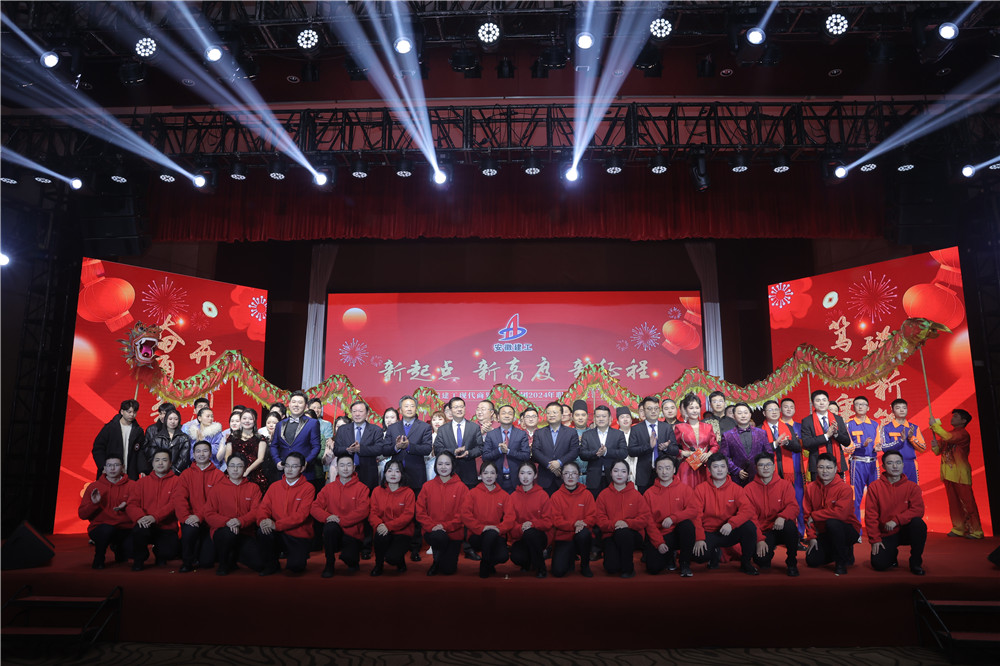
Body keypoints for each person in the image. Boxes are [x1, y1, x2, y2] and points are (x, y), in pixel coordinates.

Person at [691, 452, 759, 575]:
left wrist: (731, 524)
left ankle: (746, 563)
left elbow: (748, 510)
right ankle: (714, 553)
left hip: (729, 530)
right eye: (715, 467)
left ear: (727, 469)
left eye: (723, 466)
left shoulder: (736, 489)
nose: (719, 470)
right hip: (709, 532)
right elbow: (696, 516)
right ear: (709, 470)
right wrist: (699, 538)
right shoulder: (700, 489)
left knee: (749, 527)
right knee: (699, 557)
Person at [385, 395, 434, 562]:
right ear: (400, 409)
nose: (409, 409)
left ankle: (415, 548)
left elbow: (427, 449)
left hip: (416, 475)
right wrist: (395, 447)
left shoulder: (424, 427)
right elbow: (385, 449)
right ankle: (396, 544)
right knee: (395, 511)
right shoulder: (393, 427)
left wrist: (409, 447)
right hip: (395, 477)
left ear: (416, 408)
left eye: (412, 406)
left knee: (416, 513)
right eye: (406, 406)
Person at [865, 451, 927, 575]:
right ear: (883, 466)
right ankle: (892, 555)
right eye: (890, 463)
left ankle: (915, 562)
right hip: (886, 532)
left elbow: (918, 510)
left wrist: (896, 520)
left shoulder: (912, 487)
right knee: (879, 564)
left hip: (906, 530)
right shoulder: (875, 487)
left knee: (919, 524)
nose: (895, 466)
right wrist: (875, 539)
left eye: (898, 463)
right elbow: (871, 515)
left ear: (903, 465)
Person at [256, 452, 316, 576]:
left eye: (294, 466)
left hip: (297, 534)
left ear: (302, 468)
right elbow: (263, 508)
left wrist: (277, 525)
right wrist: (262, 520)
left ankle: (298, 555)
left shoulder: (308, 488)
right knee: (263, 531)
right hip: (277, 532)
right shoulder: (274, 486)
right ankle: (271, 564)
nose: (289, 469)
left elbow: (302, 515)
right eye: (287, 465)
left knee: (296, 567)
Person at [312, 455, 370, 578]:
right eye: (342, 465)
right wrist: (327, 517)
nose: (345, 468)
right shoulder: (328, 488)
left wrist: (340, 520)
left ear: (354, 468)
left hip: (353, 533)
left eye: (349, 465)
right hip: (334, 531)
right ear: (337, 468)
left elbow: (363, 511)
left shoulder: (362, 488)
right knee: (330, 527)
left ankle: (351, 558)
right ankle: (329, 563)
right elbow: (314, 507)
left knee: (351, 562)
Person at [930, 408, 984, 539]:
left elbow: (948, 437)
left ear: (963, 420)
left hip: (960, 474)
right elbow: (938, 452)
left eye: (956, 416)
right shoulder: (950, 434)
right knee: (954, 503)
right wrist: (935, 445)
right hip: (948, 474)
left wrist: (935, 425)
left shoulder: (963, 434)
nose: (952, 418)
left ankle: (976, 531)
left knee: (967, 502)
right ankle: (959, 528)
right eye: (953, 416)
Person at [205, 454, 262, 575]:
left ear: (245, 468)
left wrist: (240, 521)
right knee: (228, 533)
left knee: (259, 564)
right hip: (222, 531)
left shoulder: (253, 488)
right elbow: (209, 514)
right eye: (232, 466)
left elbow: (256, 511)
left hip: (244, 532)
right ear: (227, 468)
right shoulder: (217, 488)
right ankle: (223, 563)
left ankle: (235, 555)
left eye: (239, 466)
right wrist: (227, 522)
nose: (235, 469)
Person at [804, 452, 860, 575]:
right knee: (812, 560)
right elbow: (807, 515)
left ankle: (841, 563)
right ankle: (844, 551)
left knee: (832, 523)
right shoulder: (810, 488)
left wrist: (815, 515)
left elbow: (841, 514)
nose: (825, 471)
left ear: (835, 469)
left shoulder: (844, 488)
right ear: (816, 468)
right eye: (821, 467)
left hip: (847, 530)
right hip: (824, 532)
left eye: (829, 467)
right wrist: (812, 537)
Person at [745, 453, 800, 577]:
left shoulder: (785, 485)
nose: (765, 468)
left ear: (774, 467)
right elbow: (750, 517)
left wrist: (782, 516)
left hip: (781, 527)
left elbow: (793, 507)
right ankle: (768, 553)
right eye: (761, 465)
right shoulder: (748, 489)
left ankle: (792, 562)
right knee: (761, 561)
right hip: (763, 531)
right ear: (756, 467)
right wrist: (759, 539)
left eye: (768, 465)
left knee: (790, 526)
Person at [416, 451, 470, 576]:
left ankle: (442, 558)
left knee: (448, 570)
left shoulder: (462, 488)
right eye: (440, 464)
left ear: (453, 465)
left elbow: (463, 514)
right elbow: (420, 511)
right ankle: (436, 561)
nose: (443, 467)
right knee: (439, 537)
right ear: (435, 466)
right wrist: (433, 526)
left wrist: (445, 526)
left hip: (454, 533)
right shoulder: (427, 486)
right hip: (433, 532)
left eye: (447, 464)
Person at [174, 441, 225, 572]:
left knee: (206, 562)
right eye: (198, 451)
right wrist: (186, 518)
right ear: (193, 454)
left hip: (210, 522)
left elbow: (215, 502)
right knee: (189, 531)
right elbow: (179, 499)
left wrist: (199, 516)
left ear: (210, 454)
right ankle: (187, 562)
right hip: (190, 520)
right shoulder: (186, 474)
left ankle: (202, 553)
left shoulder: (219, 475)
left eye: (205, 451)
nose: (201, 454)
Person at [126, 449, 180, 571]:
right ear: (152, 463)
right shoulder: (141, 482)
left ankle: (159, 553)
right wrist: (140, 517)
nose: (160, 463)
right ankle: (139, 559)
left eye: (164, 460)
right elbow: (131, 504)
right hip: (144, 524)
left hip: (166, 527)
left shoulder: (177, 482)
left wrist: (155, 517)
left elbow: (174, 504)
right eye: (157, 460)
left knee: (170, 552)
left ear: (170, 463)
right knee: (132, 543)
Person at [643, 456, 697, 577]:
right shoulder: (649, 494)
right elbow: (649, 523)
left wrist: (673, 518)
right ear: (656, 470)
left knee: (687, 525)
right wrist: (659, 543)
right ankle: (669, 556)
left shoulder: (685, 489)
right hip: (662, 535)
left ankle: (684, 563)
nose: (664, 472)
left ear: (674, 470)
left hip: (680, 533)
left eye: (668, 468)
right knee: (653, 568)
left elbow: (693, 510)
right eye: (660, 468)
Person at [79, 456, 132, 569]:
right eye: (109, 465)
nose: (112, 468)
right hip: (101, 528)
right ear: (104, 469)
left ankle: (119, 548)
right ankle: (99, 557)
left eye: (116, 465)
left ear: (123, 468)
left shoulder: (132, 485)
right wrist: (94, 504)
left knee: (134, 550)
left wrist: (128, 505)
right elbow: (82, 514)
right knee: (107, 529)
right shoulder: (94, 486)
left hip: (125, 528)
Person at [595, 460, 647, 578]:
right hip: (610, 533)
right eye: (616, 471)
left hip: (632, 534)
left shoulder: (636, 495)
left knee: (623, 533)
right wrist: (615, 524)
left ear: (628, 474)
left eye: (623, 471)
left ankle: (628, 569)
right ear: (610, 473)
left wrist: (627, 523)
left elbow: (644, 518)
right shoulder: (603, 495)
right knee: (611, 568)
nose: (619, 474)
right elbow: (600, 519)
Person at [546, 462, 596, 578]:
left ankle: (585, 565)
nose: (570, 476)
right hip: (563, 537)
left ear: (579, 475)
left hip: (582, 535)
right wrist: (574, 524)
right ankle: (570, 556)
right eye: (566, 473)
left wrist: (582, 524)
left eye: (574, 473)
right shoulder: (556, 496)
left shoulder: (587, 494)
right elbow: (556, 520)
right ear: (562, 476)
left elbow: (593, 517)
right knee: (558, 572)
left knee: (584, 534)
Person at [502, 461, 551, 578]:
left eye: (529, 473)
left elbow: (548, 522)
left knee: (531, 534)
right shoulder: (512, 497)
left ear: (535, 475)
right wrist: (521, 528)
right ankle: (529, 561)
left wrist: (532, 524)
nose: (525, 477)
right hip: (520, 536)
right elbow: (510, 522)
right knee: (517, 557)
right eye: (522, 473)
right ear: (518, 475)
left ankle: (541, 568)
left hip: (539, 536)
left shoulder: (543, 495)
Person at [462, 461, 511, 578]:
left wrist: (499, 529)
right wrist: (482, 528)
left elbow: (510, 517)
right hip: (477, 534)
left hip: (497, 533)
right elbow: (465, 515)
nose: (489, 476)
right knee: (489, 534)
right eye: (485, 473)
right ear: (480, 475)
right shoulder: (472, 493)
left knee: (503, 556)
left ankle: (487, 562)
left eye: (492, 473)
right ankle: (485, 564)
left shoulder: (504, 495)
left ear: (497, 475)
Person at [369, 460, 416, 576]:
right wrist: (379, 525)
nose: (393, 474)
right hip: (383, 529)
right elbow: (372, 513)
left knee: (392, 558)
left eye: (397, 471)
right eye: (390, 471)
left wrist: (388, 526)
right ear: (385, 473)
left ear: (402, 474)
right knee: (380, 535)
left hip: (402, 532)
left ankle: (399, 561)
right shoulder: (377, 491)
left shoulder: (408, 492)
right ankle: (378, 565)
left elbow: (408, 515)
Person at [630, 397, 680, 493]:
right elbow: (631, 451)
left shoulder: (666, 428)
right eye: (649, 408)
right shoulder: (636, 429)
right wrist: (648, 447)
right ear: (643, 411)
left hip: (664, 474)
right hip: (644, 475)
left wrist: (666, 448)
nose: (653, 411)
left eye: (656, 408)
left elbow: (675, 450)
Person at [844, 396, 882, 524]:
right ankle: (856, 528)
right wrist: (861, 445)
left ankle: (874, 526)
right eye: (857, 404)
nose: (860, 406)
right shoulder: (848, 424)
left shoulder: (875, 424)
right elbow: (846, 447)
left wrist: (877, 447)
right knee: (856, 496)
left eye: (863, 404)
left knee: (875, 496)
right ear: (853, 407)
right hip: (857, 463)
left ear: (868, 408)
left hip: (873, 463)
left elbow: (877, 443)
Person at [433, 397, 485, 489]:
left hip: (469, 475)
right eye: (456, 407)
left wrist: (469, 453)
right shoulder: (443, 429)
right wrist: (453, 451)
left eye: (461, 407)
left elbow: (480, 447)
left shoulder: (474, 427)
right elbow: (437, 449)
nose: (459, 409)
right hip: (449, 475)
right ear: (450, 410)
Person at [270, 391, 321, 481]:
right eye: (293, 402)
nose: (296, 405)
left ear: (306, 406)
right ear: (289, 405)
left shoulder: (313, 423)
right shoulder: (280, 424)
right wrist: (277, 461)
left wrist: (306, 462)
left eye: (300, 402)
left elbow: (316, 446)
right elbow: (274, 445)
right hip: (283, 470)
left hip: (304, 472)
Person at [531, 401, 581, 495]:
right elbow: (535, 451)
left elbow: (574, 451)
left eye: (554, 412)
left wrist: (559, 462)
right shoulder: (539, 433)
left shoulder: (571, 432)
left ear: (561, 415)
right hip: (545, 478)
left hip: (564, 476)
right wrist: (549, 465)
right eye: (548, 413)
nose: (551, 415)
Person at [92, 399, 148, 481]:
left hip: (130, 473)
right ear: (122, 412)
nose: (132, 415)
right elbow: (98, 448)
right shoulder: (109, 428)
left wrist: (142, 469)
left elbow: (140, 452)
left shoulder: (138, 431)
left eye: (134, 412)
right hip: (110, 472)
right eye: (129, 412)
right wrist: (103, 467)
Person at [334, 400, 384, 490]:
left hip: (368, 472)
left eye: (360, 411)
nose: (357, 414)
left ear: (367, 413)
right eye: (354, 411)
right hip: (347, 472)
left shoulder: (376, 430)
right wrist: (347, 450)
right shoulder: (342, 429)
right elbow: (336, 450)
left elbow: (379, 449)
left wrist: (361, 449)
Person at [800, 390, 850, 479]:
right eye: (818, 400)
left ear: (828, 402)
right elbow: (806, 443)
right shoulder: (807, 421)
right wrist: (826, 436)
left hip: (836, 463)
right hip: (817, 463)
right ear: (813, 403)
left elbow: (847, 442)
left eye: (824, 400)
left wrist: (836, 434)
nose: (821, 403)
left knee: (838, 487)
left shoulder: (838, 419)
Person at [580, 405, 628, 496]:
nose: (601, 419)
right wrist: (596, 453)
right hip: (593, 478)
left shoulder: (618, 434)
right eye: (598, 416)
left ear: (610, 418)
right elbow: (582, 454)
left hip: (613, 478)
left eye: (604, 416)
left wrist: (606, 452)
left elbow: (624, 453)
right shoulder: (587, 434)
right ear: (594, 418)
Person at [482, 404, 531, 493]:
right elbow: (485, 457)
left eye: (510, 413)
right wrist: (499, 451)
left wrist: (508, 451)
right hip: (496, 479)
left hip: (516, 478)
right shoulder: (491, 434)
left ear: (514, 417)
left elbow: (526, 456)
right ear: (498, 417)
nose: (507, 415)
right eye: (503, 413)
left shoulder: (521, 434)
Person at [673, 394, 718, 488]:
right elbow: (672, 448)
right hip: (687, 467)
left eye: (697, 408)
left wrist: (708, 454)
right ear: (685, 410)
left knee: (706, 492)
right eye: (691, 408)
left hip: (705, 466)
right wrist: (684, 453)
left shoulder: (708, 427)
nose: (694, 410)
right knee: (687, 493)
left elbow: (715, 445)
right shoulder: (679, 427)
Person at [719, 403, 771, 486]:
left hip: (759, 476)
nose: (743, 416)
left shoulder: (761, 433)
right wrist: (736, 470)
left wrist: (763, 468)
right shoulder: (727, 435)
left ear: (750, 414)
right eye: (739, 413)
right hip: (737, 479)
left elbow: (768, 453)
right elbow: (724, 457)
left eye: (745, 413)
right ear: (734, 416)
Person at [779, 397, 807, 535]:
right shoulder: (775, 426)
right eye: (786, 407)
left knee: (799, 500)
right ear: (780, 409)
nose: (789, 409)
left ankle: (801, 532)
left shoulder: (800, 426)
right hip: (780, 468)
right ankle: (784, 533)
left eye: (791, 407)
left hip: (797, 469)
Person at [881, 398, 927, 484]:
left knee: (912, 489)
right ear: (893, 411)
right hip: (894, 465)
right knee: (895, 490)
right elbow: (884, 448)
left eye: (904, 408)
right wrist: (901, 441)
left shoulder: (914, 428)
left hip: (910, 464)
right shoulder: (886, 428)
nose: (902, 410)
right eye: (898, 408)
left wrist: (911, 438)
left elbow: (922, 448)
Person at [225, 409, 269, 494]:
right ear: (240, 420)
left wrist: (247, 471)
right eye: (244, 418)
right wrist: (232, 468)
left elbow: (260, 458)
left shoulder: (260, 438)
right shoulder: (232, 437)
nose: (247, 421)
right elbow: (227, 456)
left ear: (255, 421)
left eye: (250, 419)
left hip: (253, 473)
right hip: (234, 471)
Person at [143, 408, 191, 475]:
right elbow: (152, 456)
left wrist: (173, 472)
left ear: (179, 420)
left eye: (176, 419)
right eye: (170, 419)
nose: (173, 422)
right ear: (166, 420)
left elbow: (183, 459)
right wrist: (161, 470)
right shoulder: (157, 438)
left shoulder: (184, 438)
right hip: (159, 473)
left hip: (177, 474)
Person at [183, 407, 225, 471]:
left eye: (212, 416)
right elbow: (190, 452)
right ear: (199, 418)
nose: (210, 418)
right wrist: (197, 443)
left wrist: (203, 441)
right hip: (196, 466)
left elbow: (217, 449)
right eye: (208, 416)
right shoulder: (193, 432)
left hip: (212, 465)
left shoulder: (216, 432)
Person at [307, 398, 335, 482]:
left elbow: (327, 442)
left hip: (320, 462)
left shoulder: (326, 424)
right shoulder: (302, 422)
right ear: (308, 408)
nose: (316, 410)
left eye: (319, 408)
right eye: (314, 407)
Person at [570, 399, 592, 485]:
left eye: (583, 415)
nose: (580, 418)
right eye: (577, 415)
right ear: (572, 417)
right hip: (572, 478)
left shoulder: (593, 434)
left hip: (590, 477)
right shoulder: (567, 434)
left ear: (587, 416)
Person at [616, 407, 638, 482]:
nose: (625, 419)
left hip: (636, 470)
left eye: (627, 417)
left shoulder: (638, 434)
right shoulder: (614, 436)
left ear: (631, 420)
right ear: (617, 422)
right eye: (622, 417)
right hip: (621, 472)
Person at [428, 410, 446, 481]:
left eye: (440, 419)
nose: (437, 422)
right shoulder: (428, 437)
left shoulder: (449, 437)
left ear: (445, 422)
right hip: (431, 467)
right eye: (434, 420)